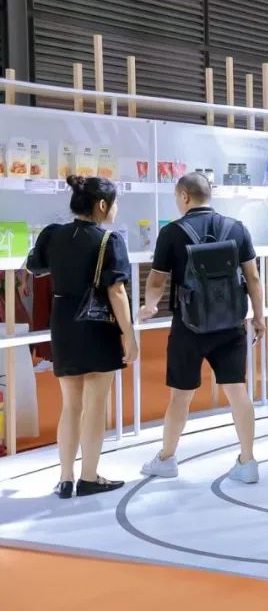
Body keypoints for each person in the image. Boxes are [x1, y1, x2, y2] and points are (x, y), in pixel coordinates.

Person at [138, 173, 265, 483]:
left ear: (184, 196)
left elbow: (157, 279)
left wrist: (150, 305)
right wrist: (259, 317)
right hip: (231, 323)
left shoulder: (172, 232)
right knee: (237, 391)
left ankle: (167, 458)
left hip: (188, 325)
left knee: (180, 396)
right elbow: (253, 277)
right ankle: (248, 461)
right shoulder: (237, 228)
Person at [26, 176, 136, 498]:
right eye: (114, 203)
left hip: (63, 323)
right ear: (102, 205)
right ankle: (89, 477)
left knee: (70, 405)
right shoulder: (109, 241)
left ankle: (65, 478)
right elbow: (116, 291)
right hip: (97, 324)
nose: (115, 209)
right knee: (95, 404)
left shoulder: (53, 234)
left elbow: (35, 267)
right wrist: (129, 334)